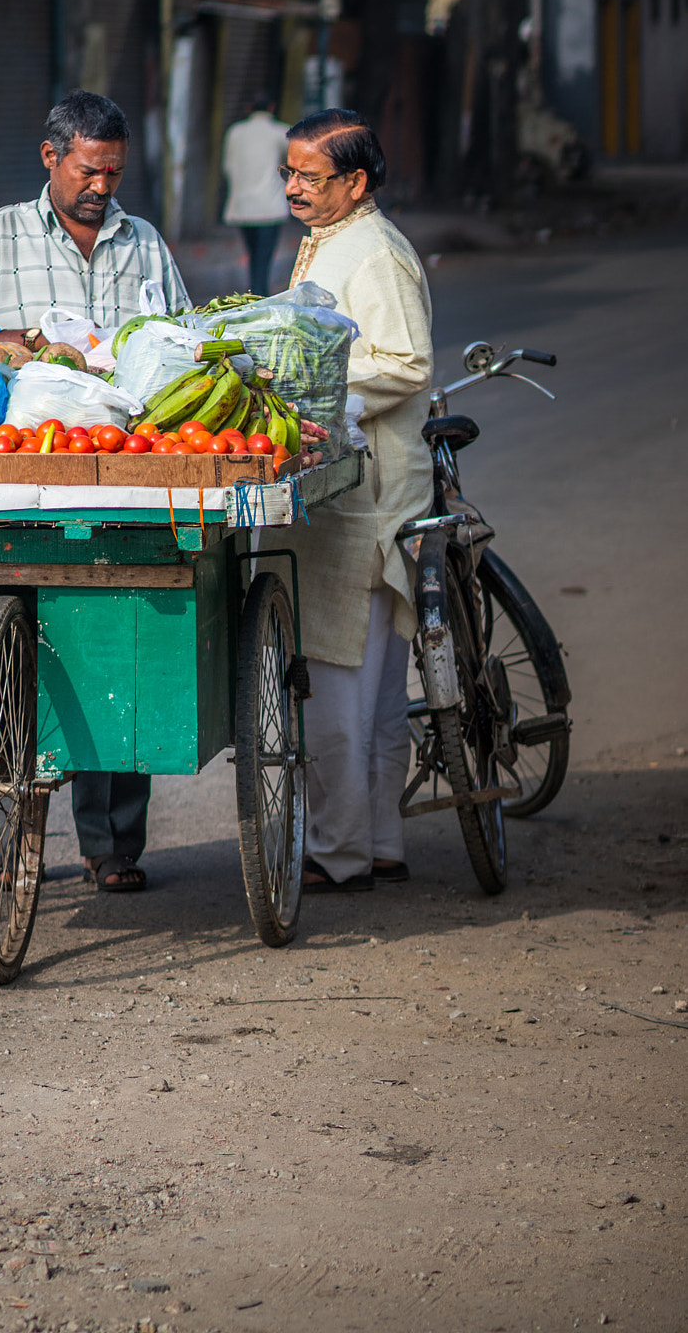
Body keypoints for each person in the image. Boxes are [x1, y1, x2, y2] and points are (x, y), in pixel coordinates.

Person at [0, 89, 191, 893]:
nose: (102, 187)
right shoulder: (0, 236)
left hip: (121, 471)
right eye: (89, 169)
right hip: (18, 468)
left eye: (114, 172)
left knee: (119, 640)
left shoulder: (143, 243)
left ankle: (111, 845)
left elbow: (184, 338)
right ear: (51, 158)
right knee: (17, 656)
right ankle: (13, 829)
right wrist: (4, 342)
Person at [262, 108, 433, 893]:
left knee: (337, 684)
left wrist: (307, 374)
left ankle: (341, 854)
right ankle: (380, 843)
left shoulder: (376, 250)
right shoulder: (333, 238)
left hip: (365, 499)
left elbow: (406, 361)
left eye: (311, 176)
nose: (295, 187)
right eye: (289, 172)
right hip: (361, 491)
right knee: (369, 689)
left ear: (355, 182)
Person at [221, 96, 290, 297]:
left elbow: (228, 166)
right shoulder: (280, 132)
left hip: (243, 206)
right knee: (264, 256)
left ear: (249, 107)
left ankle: (255, 293)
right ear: (272, 106)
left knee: (253, 254)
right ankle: (259, 294)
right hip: (270, 207)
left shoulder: (235, 132)